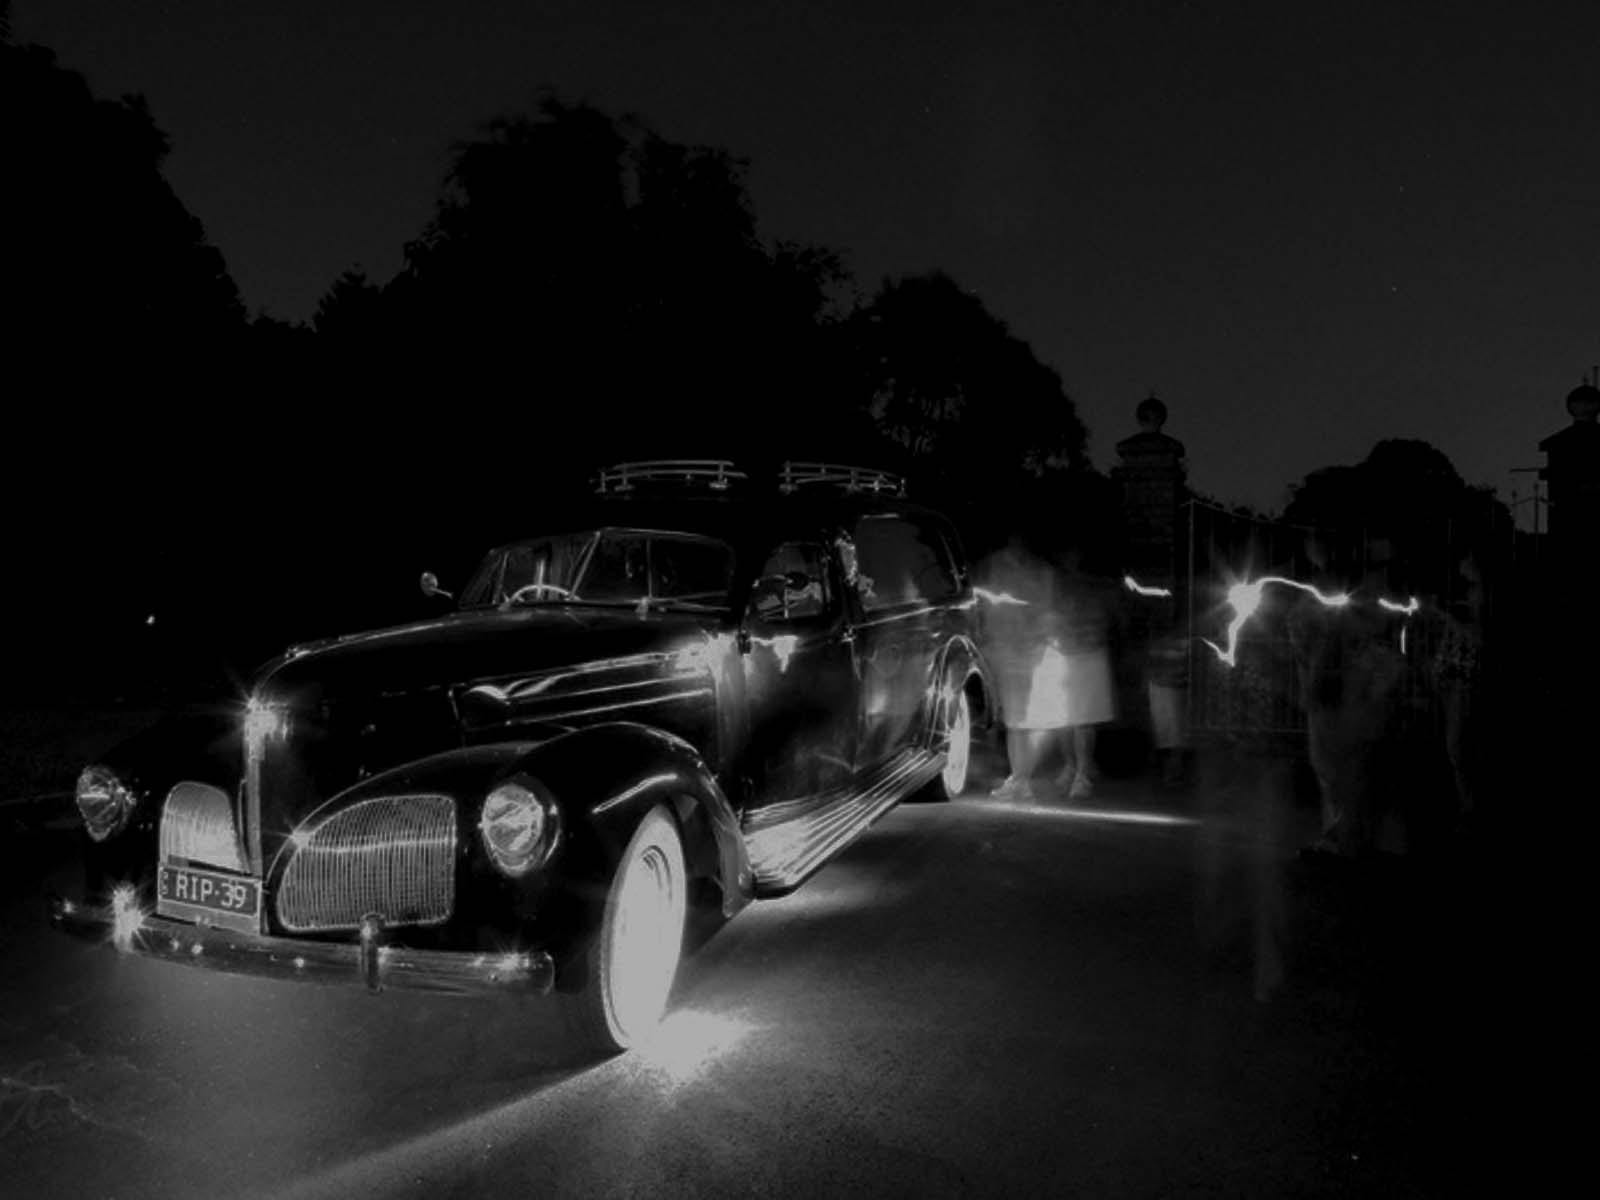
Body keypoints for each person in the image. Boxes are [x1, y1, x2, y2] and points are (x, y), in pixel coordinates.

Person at [1051, 544, 1119, 799]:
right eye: (1067, 556)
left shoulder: (1095, 587)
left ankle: (1082, 774)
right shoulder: (1057, 586)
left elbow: (1108, 619)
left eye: (1074, 556)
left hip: (1089, 656)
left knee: (1083, 719)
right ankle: (1072, 766)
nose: (1071, 560)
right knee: (1062, 719)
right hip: (1064, 654)